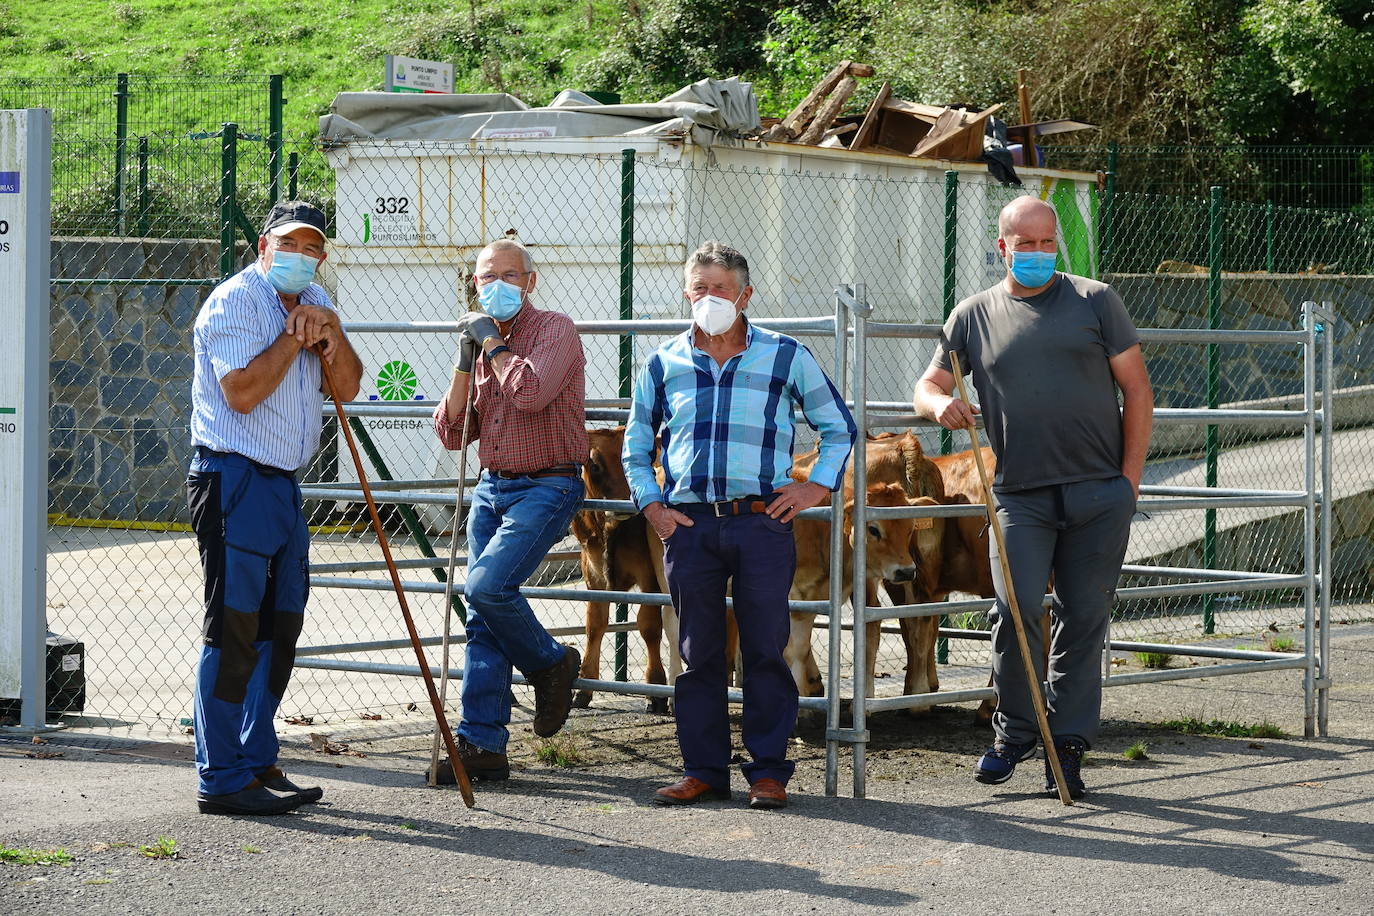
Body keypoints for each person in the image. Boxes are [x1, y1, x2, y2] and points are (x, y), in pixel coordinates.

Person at [913, 196, 1153, 799]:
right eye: (1027, 244)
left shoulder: (1096, 301)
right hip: (1019, 494)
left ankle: (1066, 746)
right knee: (1014, 608)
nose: (1040, 253)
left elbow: (1138, 390)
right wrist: (941, 405)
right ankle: (1017, 731)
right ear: (1003, 247)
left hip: (1099, 492)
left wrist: (1129, 481)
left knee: (1084, 616)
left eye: (1048, 242)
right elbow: (929, 383)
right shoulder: (971, 315)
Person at [623, 241, 856, 811]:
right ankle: (702, 769)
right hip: (690, 526)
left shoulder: (786, 356)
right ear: (686, 293)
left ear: (745, 295)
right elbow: (635, 445)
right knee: (698, 652)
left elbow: (839, 427)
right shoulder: (662, 362)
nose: (708, 298)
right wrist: (653, 507)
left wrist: (815, 487)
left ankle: (769, 772)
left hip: (761, 523)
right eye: (699, 288)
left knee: (766, 648)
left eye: (720, 289)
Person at [188, 200, 364, 816]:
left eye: (313, 247)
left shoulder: (316, 300)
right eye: (289, 244)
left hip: (283, 483)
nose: (301, 256)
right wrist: (296, 341)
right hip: (232, 476)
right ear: (264, 247)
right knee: (233, 627)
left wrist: (332, 335)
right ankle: (221, 777)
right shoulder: (236, 300)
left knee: (279, 625)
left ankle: (256, 756)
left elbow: (345, 387)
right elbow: (239, 393)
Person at [430, 239, 587, 783]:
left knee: (487, 588)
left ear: (530, 281)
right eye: (483, 277)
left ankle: (551, 663)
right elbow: (453, 432)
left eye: (507, 275)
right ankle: (483, 744)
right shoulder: (480, 347)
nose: (494, 284)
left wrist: (493, 343)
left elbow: (529, 394)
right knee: (482, 618)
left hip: (548, 484)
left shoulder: (554, 331)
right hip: (492, 487)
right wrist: (463, 360)